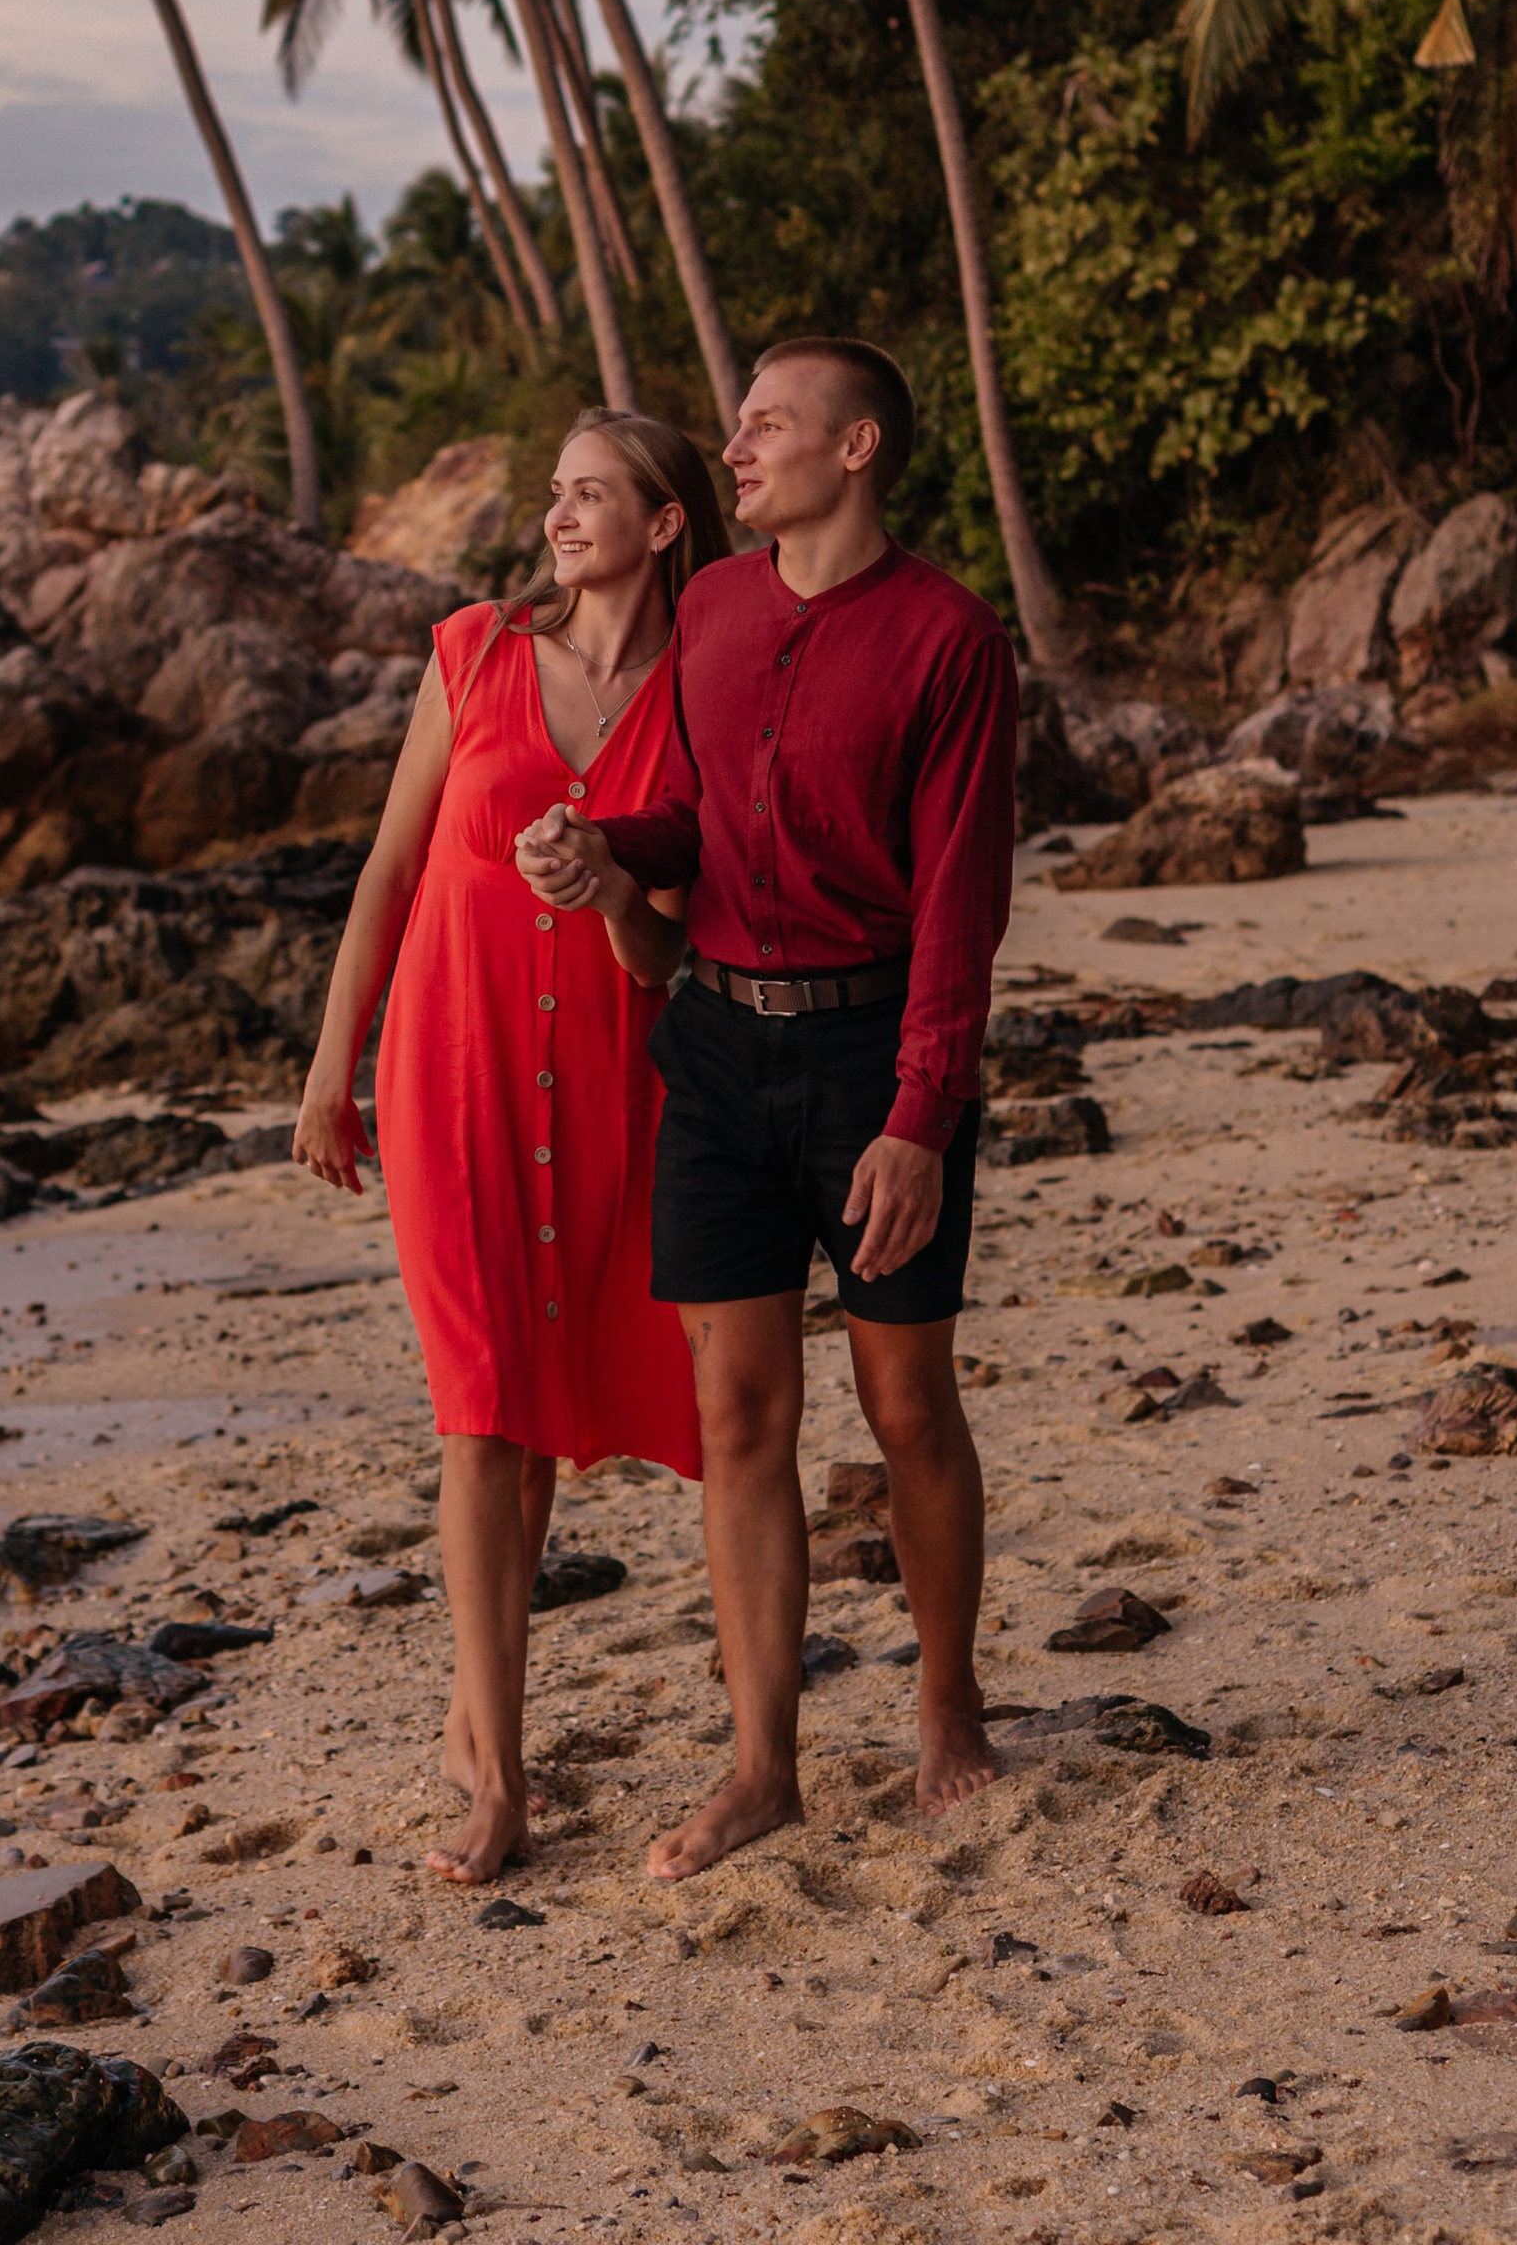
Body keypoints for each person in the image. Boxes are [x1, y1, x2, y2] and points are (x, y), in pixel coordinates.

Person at [515, 337, 1016, 1882]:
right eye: (737, 429)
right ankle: (762, 1766)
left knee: (906, 1406)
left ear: (856, 447)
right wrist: (606, 852)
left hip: (878, 1062)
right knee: (739, 1415)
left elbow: (960, 900)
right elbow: (712, 827)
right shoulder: (717, 608)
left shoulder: (949, 639)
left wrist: (922, 1117)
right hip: (717, 1051)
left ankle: (947, 1709)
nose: (735, 450)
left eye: (767, 426)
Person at [294, 408, 730, 1886]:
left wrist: (607, 880)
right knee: (482, 1408)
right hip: (453, 1065)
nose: (559, 515)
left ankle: (475, 1715)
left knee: (544, 1414)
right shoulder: (474, 651)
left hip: (614, 1080)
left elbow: (666, 956)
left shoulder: (703, 693)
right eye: (552, 492)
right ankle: (502, 1785)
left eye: (591, 495)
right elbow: (392, 867)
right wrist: (328, 1070)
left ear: (665, 524)